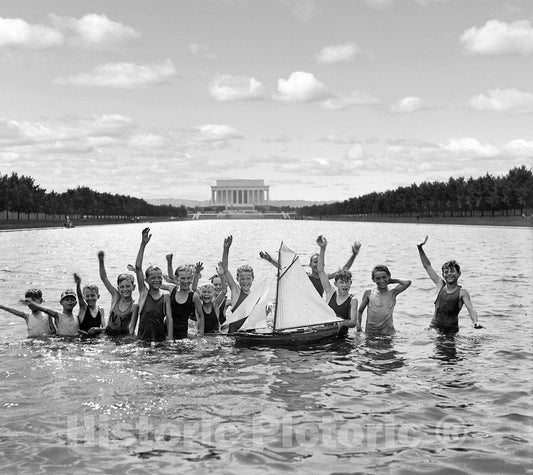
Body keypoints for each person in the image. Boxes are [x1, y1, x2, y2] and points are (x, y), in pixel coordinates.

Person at [417, 235, 481, 332]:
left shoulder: (462, 293)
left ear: (459, 274)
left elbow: (471, 310)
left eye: (452, 271)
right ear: (443, 274)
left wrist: (475, 322)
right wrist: (420, 248)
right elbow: (427, 266)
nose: (449, 274)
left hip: (451, 332)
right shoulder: (440, 284)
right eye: (446, 272)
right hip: (434, 328)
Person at [260, 239, 361, 296]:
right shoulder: (306, 276)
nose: (317, 264)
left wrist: (354, 255)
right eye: (315, 262)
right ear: (310, 265)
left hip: (318, 306)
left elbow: (344, 270)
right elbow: (285, 268)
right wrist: (269, 259)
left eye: (319, 262)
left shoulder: (325, 277)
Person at [130, 228, 173, 342]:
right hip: (143, 340)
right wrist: (143, 244)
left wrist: (170, 340)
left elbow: (169, 319)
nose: (157, 280)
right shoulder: (144, 292)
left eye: (159, 277)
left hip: (160, 340)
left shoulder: (165, 296)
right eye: (153, 278)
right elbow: (138, 268)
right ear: (147, 280)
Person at [316, 235, 358, 332]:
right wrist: (322, 249)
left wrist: (340, 322)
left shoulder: (353, 300)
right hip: (325, 333)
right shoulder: (330, 292)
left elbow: (353, 322)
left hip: (341, 338)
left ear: (351, 283)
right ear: (335, 284)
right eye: (341, 282)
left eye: (347, 282)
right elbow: (321, 270)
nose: (345, 285)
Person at [357, 265, 411, 335]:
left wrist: (391, 280)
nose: (381, 280)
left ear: (389, 276)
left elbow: (407, 282)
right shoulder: (369, 293)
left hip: (388, 333)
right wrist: (359, 328)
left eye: (384, 277)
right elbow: (360, 311)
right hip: (371, 333)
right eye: (378, 278)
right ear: (373, 279)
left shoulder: (393, 293)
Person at [98, 251, 138, 337]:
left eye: (128, 286)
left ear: (133, 287)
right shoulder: (116, 296)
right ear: (118, 288)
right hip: (108, 333)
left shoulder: (134, 305)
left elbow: (132, 328)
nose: (125, 289)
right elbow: (104, 278)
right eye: (122, 287)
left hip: (122, 336)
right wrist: (101, 261)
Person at [222, 235, 254, 332]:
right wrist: (226, 249)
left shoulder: (255, 296)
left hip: (251, 333)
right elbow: (225, 269)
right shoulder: (236, 291)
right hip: (235, 335)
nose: (245, 282)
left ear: (253, 278)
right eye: (242, 279)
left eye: (248, 278)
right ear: (237, 279)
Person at [165, 260, 205, 339]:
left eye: (188, 278)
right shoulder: (172, 289)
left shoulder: (194, 296)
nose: (186, 281)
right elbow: (155, 284)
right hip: (166, 329)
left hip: (183, 331)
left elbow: (201, 316)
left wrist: (201, 334)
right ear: (177, 278)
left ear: (191, 278)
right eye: (183, 278)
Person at [198, 265, 227, 333]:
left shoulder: (215, 305)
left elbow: (224, 291)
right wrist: (196, 274)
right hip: (203, 334)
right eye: (204, 292)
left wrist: (222, 276)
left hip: (215, 333)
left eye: (209, 292)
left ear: (213, 293)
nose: (206, 294)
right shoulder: (198, 305)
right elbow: (193, 289)